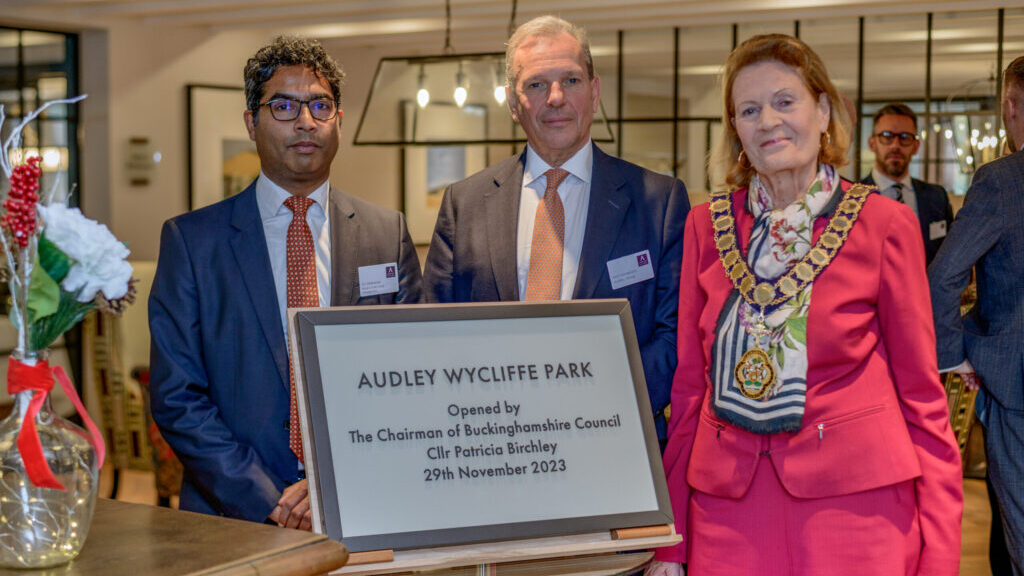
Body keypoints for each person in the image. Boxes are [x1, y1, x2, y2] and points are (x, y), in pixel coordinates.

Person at [648, 34, 962, 576]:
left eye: (784, 101)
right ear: (737, 132)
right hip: (725, 513)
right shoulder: (705, 226)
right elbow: (689, 392)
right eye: (749, 110)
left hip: (858, 508)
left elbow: (921, 396)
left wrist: (940, 552)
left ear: (823, 111)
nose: (768, 120)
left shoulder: (885, 225)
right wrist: (671, 543)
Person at [148, 36, 422, 529]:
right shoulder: (193, 242)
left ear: (339, 120)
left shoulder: (387, 233)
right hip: (231, 516)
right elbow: (177, 397)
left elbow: (414, 376)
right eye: (283, 106)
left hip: (365, 504)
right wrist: (271, 501)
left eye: (320, 105)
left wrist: (334, 485)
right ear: (251, 122)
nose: (305, 122)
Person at [422, 15, 689, 442]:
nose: (556, 98)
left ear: (595, 92)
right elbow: (433, 334)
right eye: (536, 85)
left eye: (571, 80)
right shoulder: (464, 204)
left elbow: (675, 335)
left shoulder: (659, 201)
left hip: (616, 444)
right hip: (492, 450)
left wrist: (590, 410)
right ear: (513, 103)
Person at [930, 54, 1024, 575]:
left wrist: (954, 355)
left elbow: (943, 277)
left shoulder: (1002, 180)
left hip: (1016, 387)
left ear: (1009, 105)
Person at [862, 102, 954, 264]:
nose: (895, 145)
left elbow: (950, 257)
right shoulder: (852, 198)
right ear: (872, 143)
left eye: (905, 137)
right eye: (886, 136)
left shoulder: (937, 197)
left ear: (915, 146)